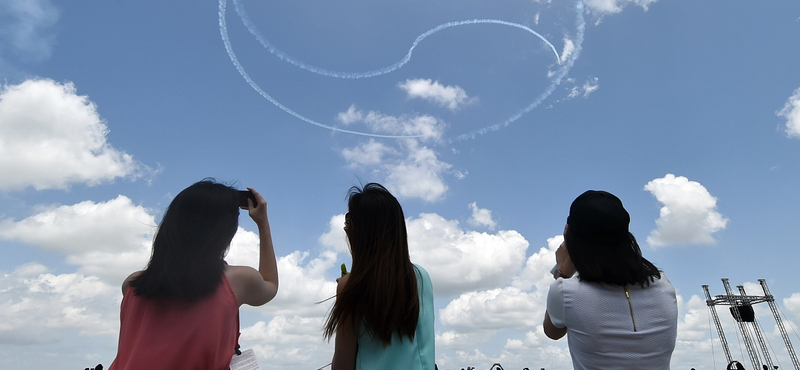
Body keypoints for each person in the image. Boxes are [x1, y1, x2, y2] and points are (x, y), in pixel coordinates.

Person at [109, 180, 279, 370]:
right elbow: (270, 284)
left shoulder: (132, 285)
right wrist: (263, 223)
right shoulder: (237, 281)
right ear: (223, 230)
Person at [542, 190, 678, 369]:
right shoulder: (663, 284)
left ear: (569, 234)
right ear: (626, 236)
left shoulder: (565, 292)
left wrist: (563, 273)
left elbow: (552, 332)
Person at [324, 183, 435, 370]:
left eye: (349, 220)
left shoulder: (349, 287)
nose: (345, 228)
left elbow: (343, 365)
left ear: (360, 231)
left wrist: (347, 288)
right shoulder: (421, 276)